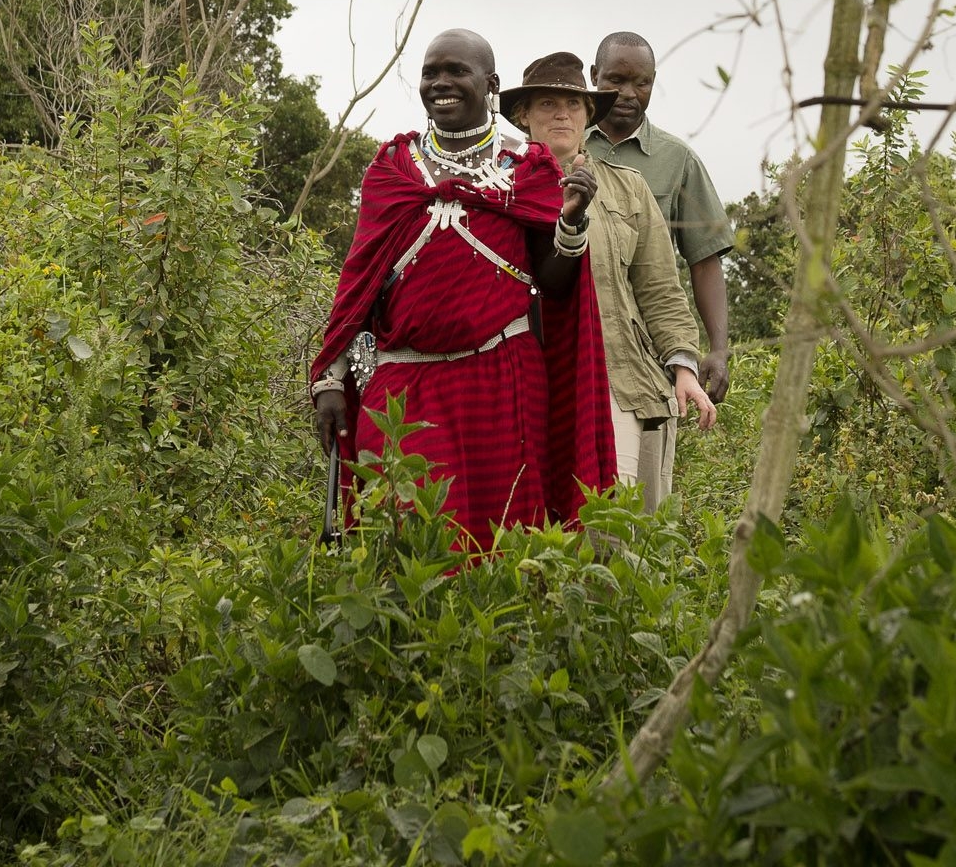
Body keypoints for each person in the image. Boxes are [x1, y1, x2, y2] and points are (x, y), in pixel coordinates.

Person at [308, 30, 616, 544]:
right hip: (404, 386)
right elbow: (358, 284)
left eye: (456, 72)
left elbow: (555, 286)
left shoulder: (527, 168)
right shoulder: (392, 170)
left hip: (503, 381)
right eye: (431, 73)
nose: (441, 84)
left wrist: (571, 222)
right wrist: (331, 380)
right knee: (399, 543)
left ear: (491, 85)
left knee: (503, 549)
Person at [501, 52, 716, 509]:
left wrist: (684, 366)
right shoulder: (497, 189)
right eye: (547, 104)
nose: (562, 114)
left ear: (588, 115)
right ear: (523, 116)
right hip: (525, 382)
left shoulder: (629, 187)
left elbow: (659, 288)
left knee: (616, 530)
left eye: (574, 104)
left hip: (618, 379)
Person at [587, 31, 736, 401]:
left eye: (642, 83)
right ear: (594, 76)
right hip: (574, 339)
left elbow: (705, 261)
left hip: (650, 351)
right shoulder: (561, 147)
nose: (629, 93)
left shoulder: (678, 160)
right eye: (616, 80)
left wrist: (717, 350)